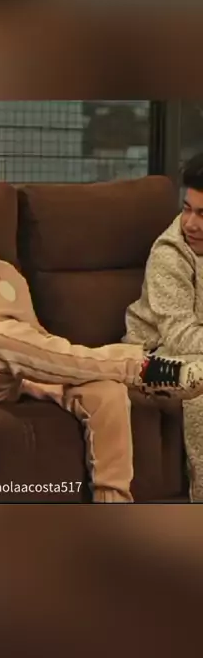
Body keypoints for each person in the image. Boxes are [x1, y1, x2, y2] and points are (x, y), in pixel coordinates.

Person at [0, 166, 203, 504]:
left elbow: (38, 343)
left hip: (26, 374)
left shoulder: (5, 273)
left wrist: (48, 368)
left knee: (107, 391)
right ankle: (143, 367)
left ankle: (113, 505)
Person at [124, 153, 203, 501]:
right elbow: (181, 336)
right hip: (152, 360)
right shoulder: (170, 253)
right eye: (187, 209)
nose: (191, 224)